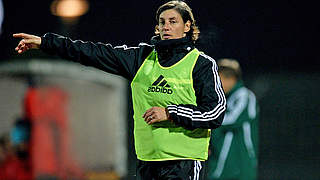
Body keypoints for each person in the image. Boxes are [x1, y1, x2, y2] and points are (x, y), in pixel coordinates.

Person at [13, 1, 226, 179]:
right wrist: (45, 43)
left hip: (184, 163)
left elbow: (215, 112)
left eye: (173, 22)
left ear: (187, 26)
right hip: (148, 162)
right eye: (162, 22)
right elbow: (93, 52)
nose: (166, 27)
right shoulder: (141, 58)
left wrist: (170, 112)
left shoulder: (201, 64)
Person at [206, 58, 259, 180]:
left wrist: (204, 121)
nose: (215, 83)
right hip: (221, 166)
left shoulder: (244, 95)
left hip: (239, 167)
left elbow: (230, 119)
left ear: (231, 79)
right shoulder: (224, 99)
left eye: (218, 79)